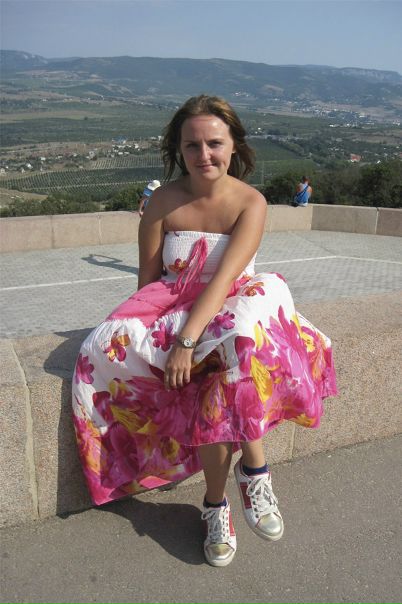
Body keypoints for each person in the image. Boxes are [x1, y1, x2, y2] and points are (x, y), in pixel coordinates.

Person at [72, 95, 337, 568]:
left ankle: (229, 494)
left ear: (234, 145)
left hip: (236, 304)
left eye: (214, 143)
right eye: (192, 145)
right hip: (180, 309)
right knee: (197, 378)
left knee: (233, 345)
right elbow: (148, 283)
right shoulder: (162, 201)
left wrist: (185, 343)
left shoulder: (250, 202)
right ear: (179, 149)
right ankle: (247, 477)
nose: (204, 154)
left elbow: (223, 280)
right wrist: (155, 338)